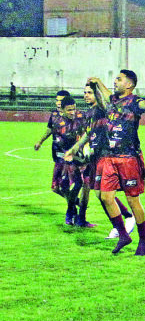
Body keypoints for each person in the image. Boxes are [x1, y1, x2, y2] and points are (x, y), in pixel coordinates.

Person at [87, 70, 145, 256]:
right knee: (105, 197)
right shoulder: (112, 100)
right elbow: (105, 97)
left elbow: (144, 104)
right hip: (108, 156)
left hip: (129, 157)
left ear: (129, 85)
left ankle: (143, 239)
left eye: (119, 79)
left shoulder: (134, 102)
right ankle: (123, 235)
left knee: (133, 200)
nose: (115, 82)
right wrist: (97, 84)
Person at [64, 82, 136, 236]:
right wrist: (76, 148)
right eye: (85, 93)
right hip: (95, 156)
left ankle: (126, 219)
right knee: (99, 194)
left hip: (106, 156)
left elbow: (104, 102)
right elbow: (89, 133)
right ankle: (121, 224)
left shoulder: (103, 109)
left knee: (102, 194)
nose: (86, 95)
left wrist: (97, 86)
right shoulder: (90, 112)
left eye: (89, 92)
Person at [39, 95, 89, 225]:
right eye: (69, 110)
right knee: (63, 187)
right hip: (65, 160)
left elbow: (88, 132)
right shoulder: (58, 123)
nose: (72, 112)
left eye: (74, 109)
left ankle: (73, 213)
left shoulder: (82, 117)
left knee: (79, 184)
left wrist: (86, 148)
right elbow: (60, 144)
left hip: (79, 159)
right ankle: (73, 208)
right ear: (63, 110)